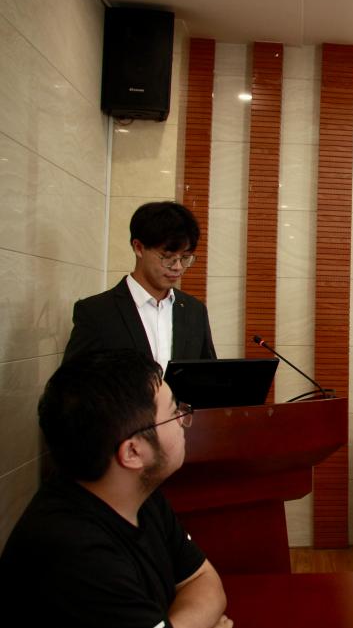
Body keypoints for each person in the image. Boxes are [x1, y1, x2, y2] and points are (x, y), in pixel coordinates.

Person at [0, 350, 232, 628]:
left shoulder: (140, 495)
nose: (183, 420)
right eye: (174, 413)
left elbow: (204, 582)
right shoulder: (76, 553)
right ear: (132, 452)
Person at [64, 201, 216, 367]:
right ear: (138, 248)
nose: (178, 267)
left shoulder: (195, 311)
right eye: (168, 257)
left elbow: (209, 374)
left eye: (185, 258)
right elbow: (73, 380)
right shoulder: (97, 312)